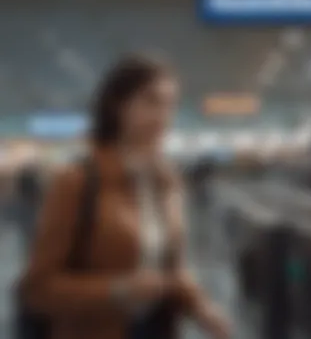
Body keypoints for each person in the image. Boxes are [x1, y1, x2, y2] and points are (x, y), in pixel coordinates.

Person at [19, 54, 230, 339]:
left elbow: (172, 270)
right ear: (117, 105)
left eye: (170, 105)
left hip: (158, 328)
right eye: (150, 102)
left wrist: (200, 307)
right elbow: (38, 288)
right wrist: (117, 291)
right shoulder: (76, 181)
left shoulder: (166, 181)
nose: (162, 117)